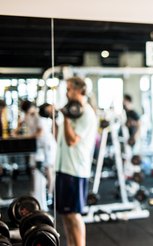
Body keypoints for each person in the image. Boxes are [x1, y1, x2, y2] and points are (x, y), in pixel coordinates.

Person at [55, 77, 97, 246]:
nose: (66, 93)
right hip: (63, 167)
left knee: (74, 214)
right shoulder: (71, 112)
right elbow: (60, 139)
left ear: (80, 90)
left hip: (75, 170)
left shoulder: (86, 113)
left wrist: (65, 118)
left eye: (69, 89)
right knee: (65, 214)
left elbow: (72, 141)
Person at [13, 100, 56, 201]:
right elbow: (21, 124)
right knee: (35, 168)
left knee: (48, 169)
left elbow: (40, 132)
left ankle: (49, 194)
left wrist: (26, 137)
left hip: (47, 144)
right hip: (37, 145)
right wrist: (15, 133)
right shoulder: (27, 116)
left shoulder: (38, 115)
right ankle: (38, 191)